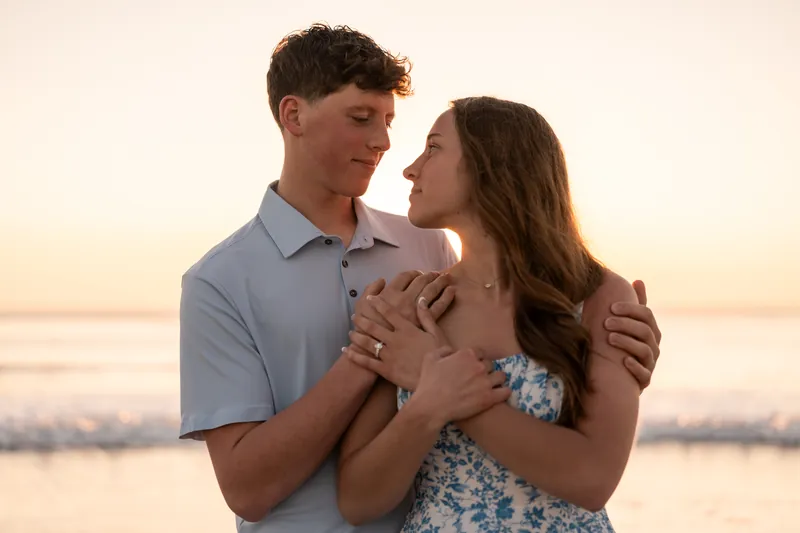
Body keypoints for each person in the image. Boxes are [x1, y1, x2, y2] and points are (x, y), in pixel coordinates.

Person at [178, 24, 662, 533]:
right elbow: (250, 492)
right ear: (293, 115)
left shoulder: (426, 248)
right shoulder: (220, 281)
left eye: (388, 120)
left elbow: (525, 330)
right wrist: (378, 356)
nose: (386, 143)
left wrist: (620, 360)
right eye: (361, 119)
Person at [336, 97, 653, 532]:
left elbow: (592, 478)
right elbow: (357, 499)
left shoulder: (598, 297)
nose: (411, 169)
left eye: (433, 148)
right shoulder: (417, 305)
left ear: (492, 166)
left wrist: (449, 393)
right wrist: (427, 406)